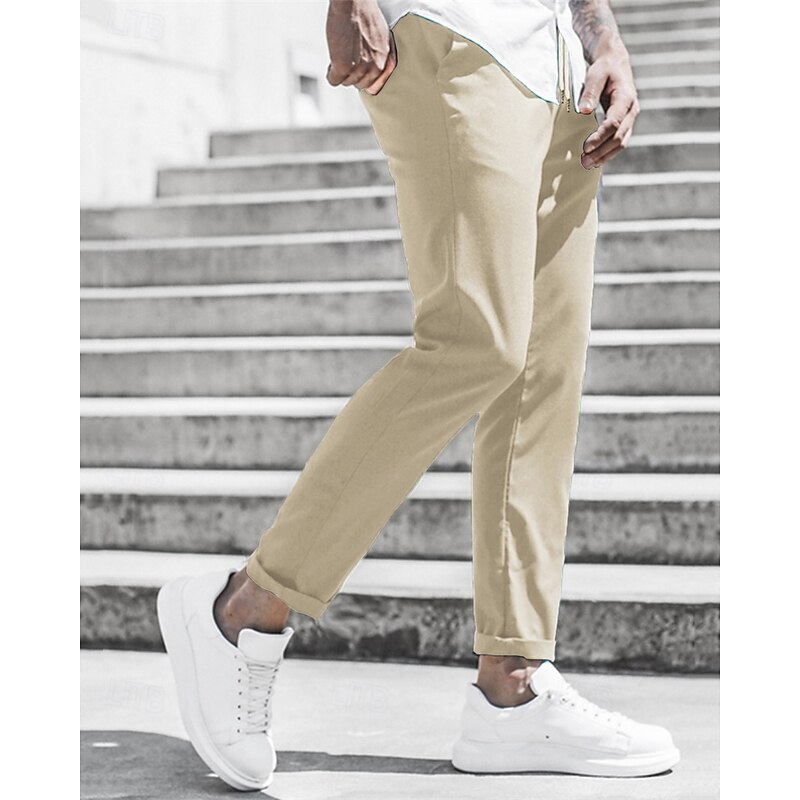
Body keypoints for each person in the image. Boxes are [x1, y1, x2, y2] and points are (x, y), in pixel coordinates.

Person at [156, 0, 678, 791]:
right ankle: (243, 611)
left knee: (542, 367)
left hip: (559, 66)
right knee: (475, 338)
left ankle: (513, 687)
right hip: (454, 29)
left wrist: (601, 34)